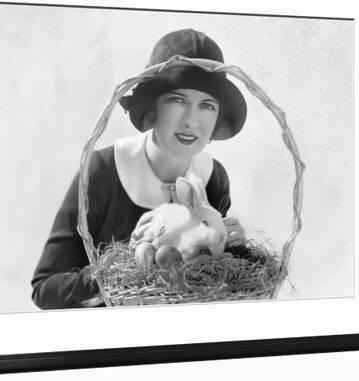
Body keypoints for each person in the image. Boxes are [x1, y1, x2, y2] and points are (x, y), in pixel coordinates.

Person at [31, 28, 247, 309]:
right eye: (177, 100)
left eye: (207, 105)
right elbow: (45, 290)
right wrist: (123, 269)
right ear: (152, 107)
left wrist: (234, 249)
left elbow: (205, 286)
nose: (192, 121)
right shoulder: (101, 170)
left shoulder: (214, 178)